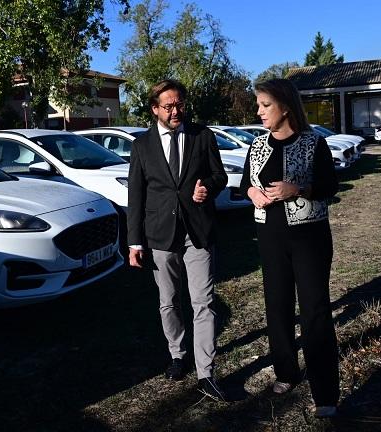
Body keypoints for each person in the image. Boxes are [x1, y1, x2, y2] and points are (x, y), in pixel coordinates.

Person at [239, 78, 340, 418]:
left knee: (315, 311)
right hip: (269, 235)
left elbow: (330, 185)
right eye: (259, 105)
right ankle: (286, 371)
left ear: (285, 106)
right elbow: (245, 184)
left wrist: (297, 189)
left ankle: (325, 393)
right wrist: (252, 193)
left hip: (309, 236)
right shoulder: (256, 145)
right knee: (277, 306)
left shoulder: (314, 143)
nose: (259, 111)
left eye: (265, 105)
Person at [127, 79, 228, 400]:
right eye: (168, 106)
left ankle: (206, 372)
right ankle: (177, 354)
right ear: (155, 109)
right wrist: (134, 242)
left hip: (198, 232)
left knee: (203, 302)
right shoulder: (141, 146)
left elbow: (219, 175)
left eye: (180, 104)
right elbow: (136, 196)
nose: (176, 111)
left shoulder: (202, 136)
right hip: (160, 235)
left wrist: (208, 188)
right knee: (168, 302)